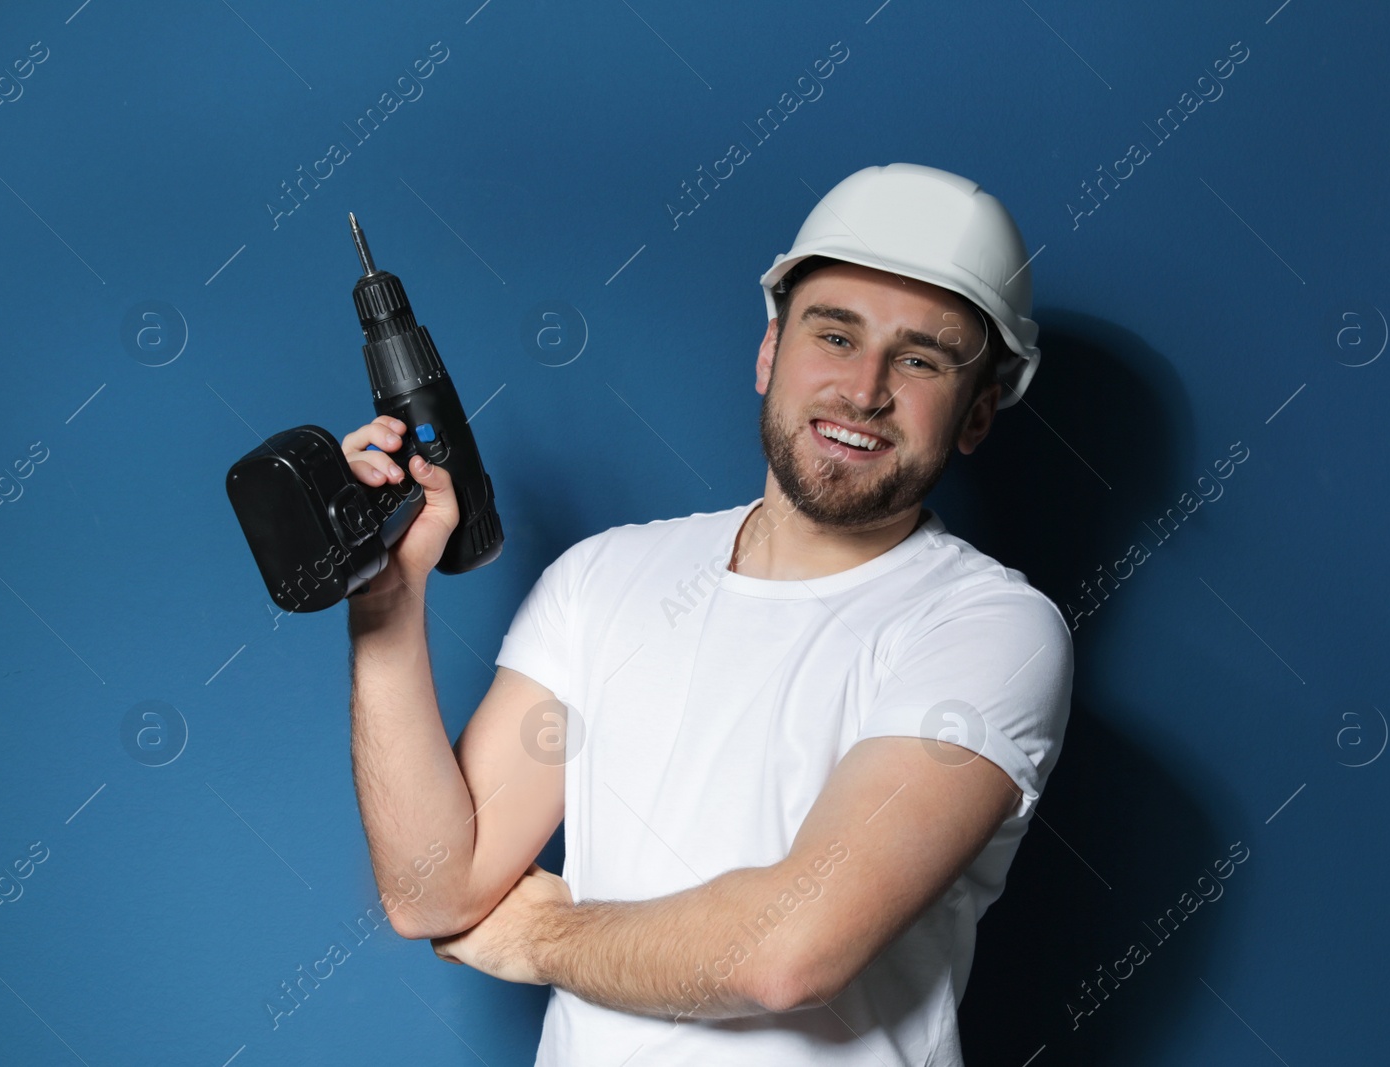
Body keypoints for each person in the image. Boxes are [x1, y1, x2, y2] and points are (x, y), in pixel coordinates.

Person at [343, 162, 1074, 1066]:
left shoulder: (989, 632)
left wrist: (542, 937)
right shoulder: (604, 578)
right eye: (835, 336)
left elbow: (788, 950)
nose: (865, 389)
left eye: (921, 358)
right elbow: (432, 888)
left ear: (977, 414)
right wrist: (386, 601)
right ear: (770, 351)